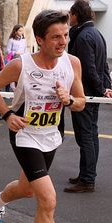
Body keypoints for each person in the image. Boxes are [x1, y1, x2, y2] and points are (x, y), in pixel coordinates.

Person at [0, 10, 85, 223]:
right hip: (24, 135)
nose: (63, 42)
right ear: (39, 39)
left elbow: (81, 102)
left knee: (27, 191)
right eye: (55, 37)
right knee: (48, 199)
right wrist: (7, 115)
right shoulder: (21, 65)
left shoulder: (72, 63)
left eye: (65, 36)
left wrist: (68, 100)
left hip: (51, 136)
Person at [64, 0, 112, 193]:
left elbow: (89, 69)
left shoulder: (83, 37)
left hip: (85, 95)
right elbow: (104, 67)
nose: (68, 16)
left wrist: (102, 90)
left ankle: (87, 179)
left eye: (70, 13)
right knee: (91, 135)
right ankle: (85, 173)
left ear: (76, 15)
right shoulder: (97, 33)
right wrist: (107, 88)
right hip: (93, 94)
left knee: (86, 137)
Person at [5, 24, 27, 91]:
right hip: (13, 60)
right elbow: (8, 51)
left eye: (22, 31)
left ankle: (18, 89)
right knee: (11, 75)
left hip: (21, 60)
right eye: (20, 31)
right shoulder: (11, 40)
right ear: (15, 31)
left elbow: (25, 49)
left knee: (20, 75)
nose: (21, 32)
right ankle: (8, 90)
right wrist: (15, 53)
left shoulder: (24, 40)